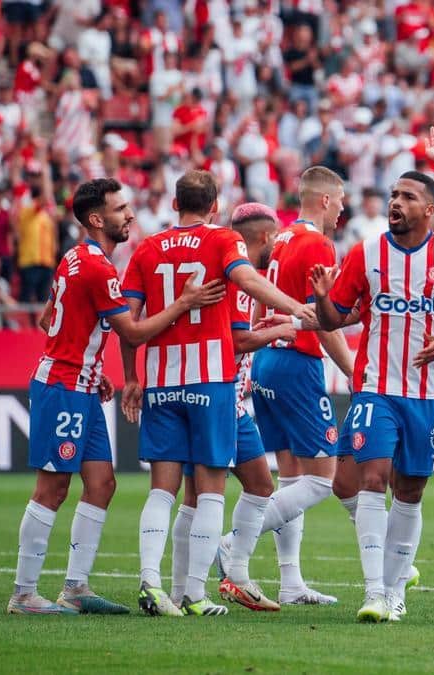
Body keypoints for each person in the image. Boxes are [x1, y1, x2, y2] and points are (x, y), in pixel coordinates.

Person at [7, 177, 225, 615]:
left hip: (82, 384)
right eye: (120, 208)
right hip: (64, 387)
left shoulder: (74, 258)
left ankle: (75, 587)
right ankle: (24, 593)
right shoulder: (97, 267)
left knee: (102, 485)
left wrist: (90, 365)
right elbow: (133, 331)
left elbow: (49, 317)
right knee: (52, 488)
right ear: (96, 218)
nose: (129, 214)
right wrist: (184, 303)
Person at [119, 170, 314, 618]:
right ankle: (193, 593)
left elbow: (128, 326)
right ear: (213, 207)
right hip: (211, 379)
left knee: (162, 491)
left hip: (163, 379)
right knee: (209, 490)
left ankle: (151, 582)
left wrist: (132, 375)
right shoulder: (224, 240)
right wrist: (294, 308)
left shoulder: (146, 249)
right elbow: (247, 281)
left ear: (173, 204)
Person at [311, 122, 434, 623]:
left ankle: (396, 588)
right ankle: (376, 592)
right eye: (393, 195)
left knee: (410, 490)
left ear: (430, 210)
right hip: (375, 389)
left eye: (407, 196)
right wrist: (322, 299)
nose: (395, 203)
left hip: (423, 396)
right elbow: (334, 320)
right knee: (371, 479)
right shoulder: (366, 253)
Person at [218, 168, 356, 608]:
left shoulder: (282, 242)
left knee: (292, 475)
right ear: (326, 201)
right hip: (298, 361)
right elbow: (326, 320)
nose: (343, 210)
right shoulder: (317, 244)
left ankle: (291, 582)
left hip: (268, 361)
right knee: (322, 480)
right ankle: (234, 545)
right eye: (341, 202)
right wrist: (353, 370)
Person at [159, 202, 297, 613]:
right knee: (245, 486)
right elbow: (234, 342)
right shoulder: (239, 278)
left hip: (205, 391)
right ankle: (215, 581)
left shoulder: (226, 269)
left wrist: (259, 331)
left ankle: (191, 586)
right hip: (223, 399)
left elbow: (234, 333)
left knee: (207, 492)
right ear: (265, 237)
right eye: (276, 239)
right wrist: (282, 330)